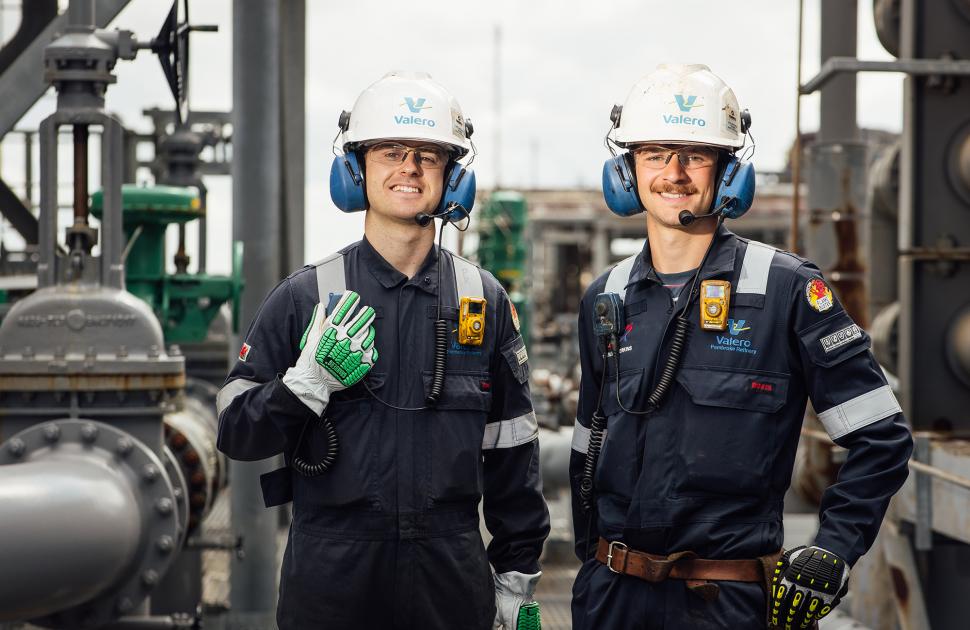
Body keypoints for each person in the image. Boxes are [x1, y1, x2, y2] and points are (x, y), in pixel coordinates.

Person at [569, 63, 913, 630]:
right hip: (611, 599)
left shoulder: (786, 290)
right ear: (626, 171)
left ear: (728, 170)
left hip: (726, 604)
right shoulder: (605, 297)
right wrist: (590, 568)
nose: (673, 173)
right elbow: (588, 447)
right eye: (655, 153)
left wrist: (834, 548)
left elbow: (882, 438)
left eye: (695, 155)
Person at [217, 71, 549, 630]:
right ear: (356, 170)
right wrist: (304, 386)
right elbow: (234, 430)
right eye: (391, 152)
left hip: (450, 577)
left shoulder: (483, 300)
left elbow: (514, 449)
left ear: (452, 176)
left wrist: (516, 575)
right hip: (333, 576)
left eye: (428, 155)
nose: (409, 168)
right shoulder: (307, 296)